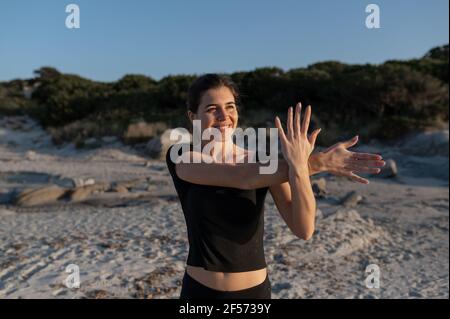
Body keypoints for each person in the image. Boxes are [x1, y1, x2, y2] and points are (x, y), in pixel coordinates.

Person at [165, 74, 385, 299]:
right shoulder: (181, 156)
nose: (224, 116)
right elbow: (240, 177)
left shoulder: (263, 162)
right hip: (200, 294)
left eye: (230, 106)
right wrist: (319, 162)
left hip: (255, 295)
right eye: (212, 109)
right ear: (193, 117)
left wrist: (299, 167)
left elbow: (304, 229)